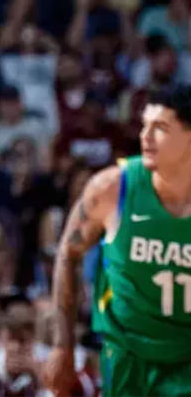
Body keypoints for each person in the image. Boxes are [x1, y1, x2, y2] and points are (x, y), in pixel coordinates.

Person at [46, 85, 191, 396]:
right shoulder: (112, 187)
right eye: (144, 125)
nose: (145, 137)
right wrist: (62, 346)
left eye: (161, 128)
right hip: (128, 354)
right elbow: (68, 255)